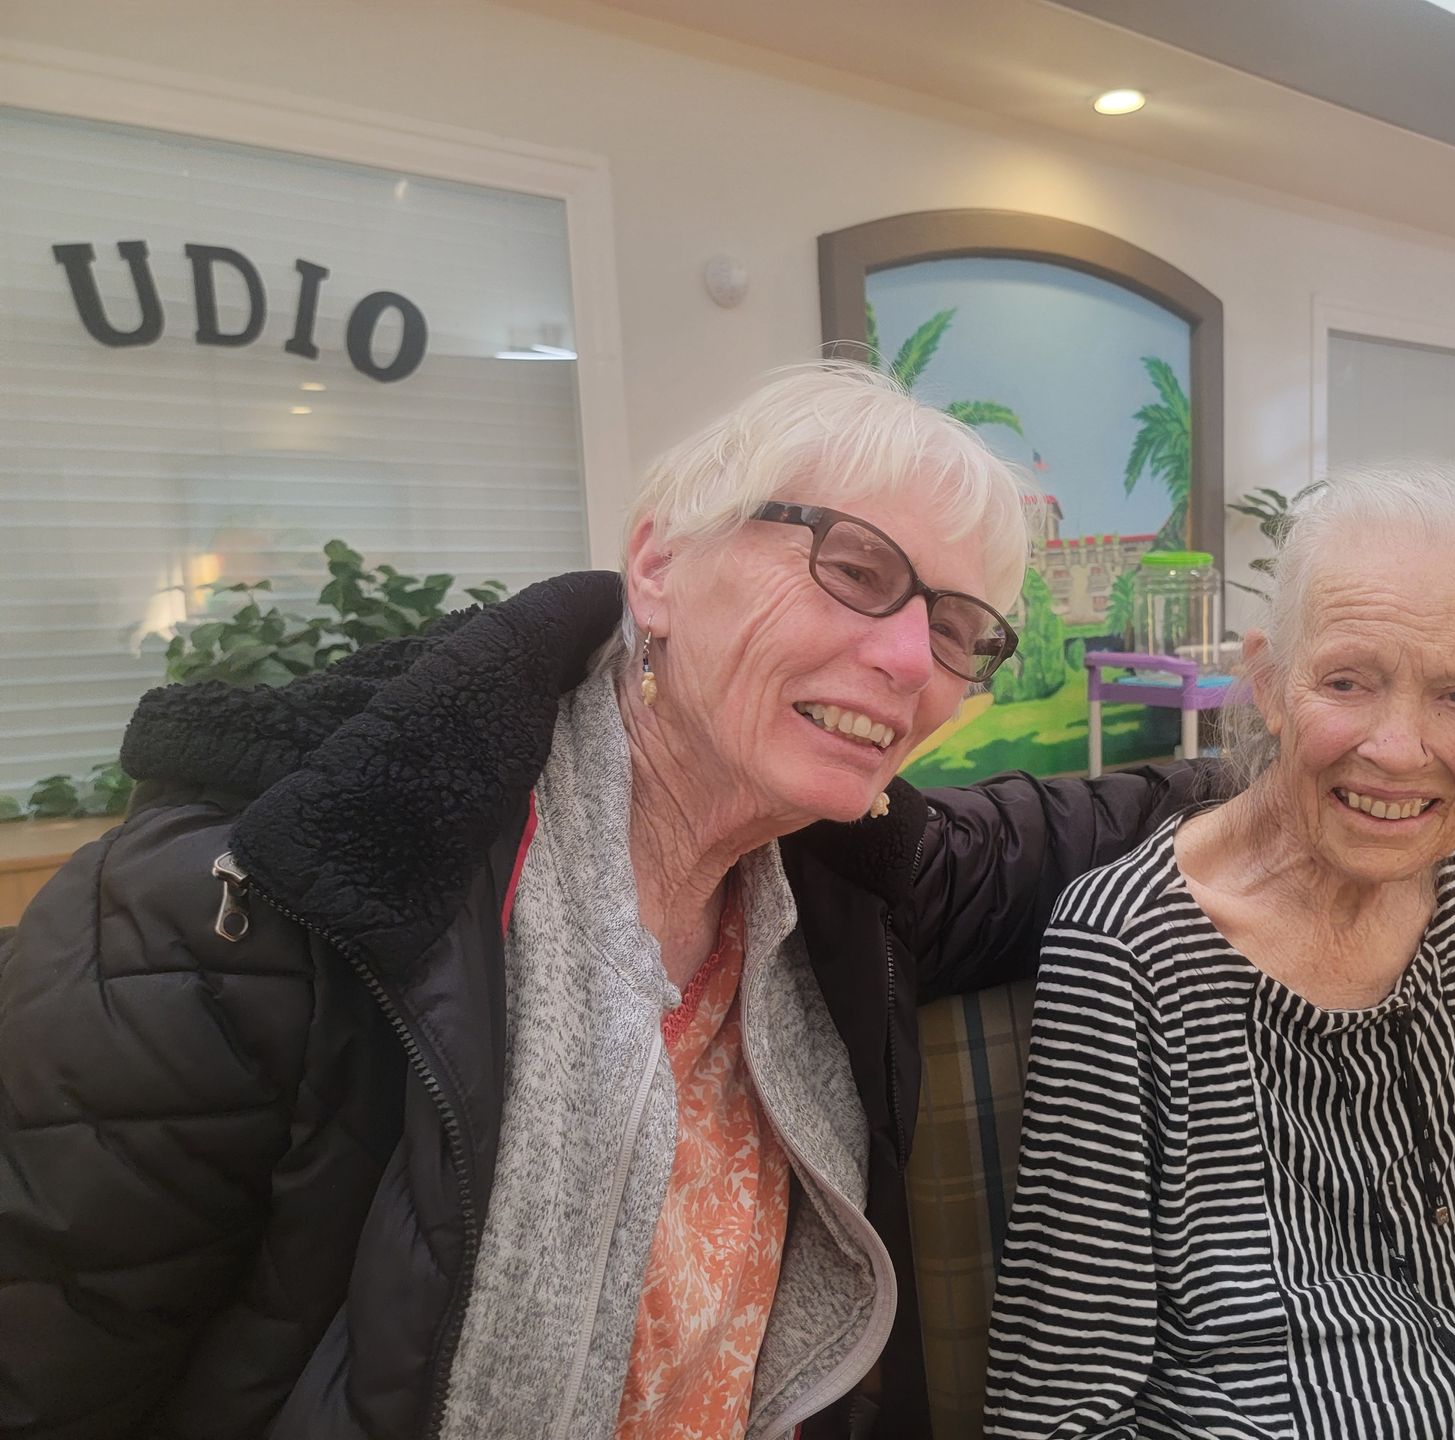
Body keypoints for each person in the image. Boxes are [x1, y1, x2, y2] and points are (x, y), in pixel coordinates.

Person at [0, 363, 1219, 1440]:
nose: (911, 662)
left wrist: (1290, 774)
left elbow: (1043, 834)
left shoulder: (842, 879)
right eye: (854, 569)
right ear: (658, 565)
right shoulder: (254, 908)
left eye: (958, 629)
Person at [985, 468, 1455, 1438]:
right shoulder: (1130, 951)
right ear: (1269, 684)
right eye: (1348, 682)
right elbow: (1062, 1405)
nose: (1401, 750)